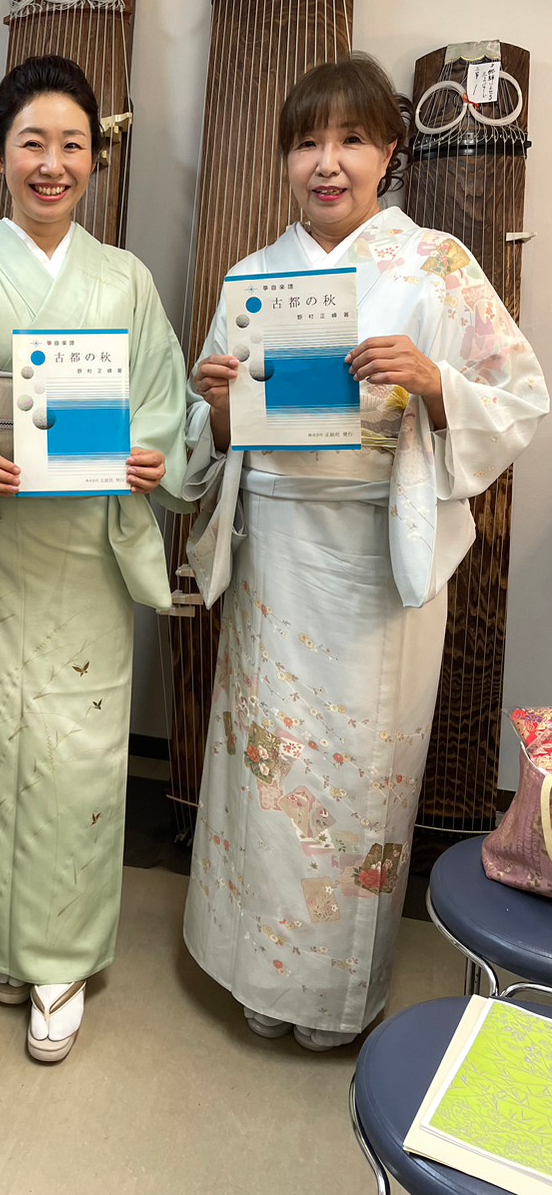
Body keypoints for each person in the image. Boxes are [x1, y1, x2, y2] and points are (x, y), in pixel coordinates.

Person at [182, 53, 547, 1050]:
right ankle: (257, 971)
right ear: (284, 160)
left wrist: (433, 381)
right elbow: (201, 437)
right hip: (276, 552)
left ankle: (335, 993)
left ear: (389, 151)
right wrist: (218, 410)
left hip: (380, 553)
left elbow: (519, 399)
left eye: (349, 139)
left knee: (358, 773)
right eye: (305, 142)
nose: (326, 162)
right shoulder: (252, 278)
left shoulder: (435, 265)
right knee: (265, 772)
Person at [0, 55, 189, 1062]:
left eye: (71, 144)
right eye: (30, 142)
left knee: (74, 757)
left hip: (84, 553)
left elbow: (161, 400)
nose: (52, 163)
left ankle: (60, 956)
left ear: (93, 161)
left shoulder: (125, 280)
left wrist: (151, 454)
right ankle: (0, 939)